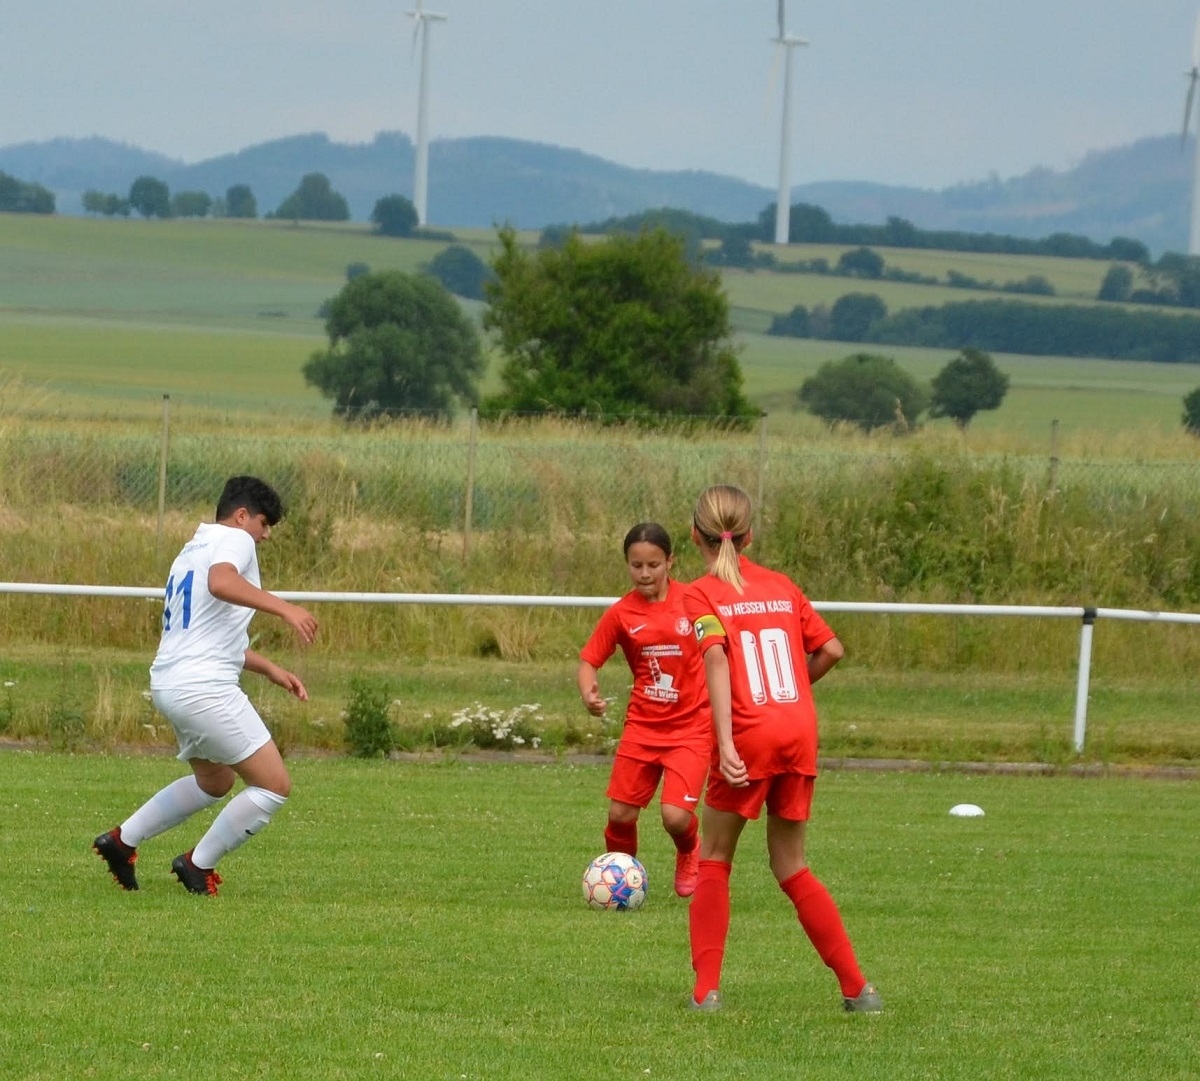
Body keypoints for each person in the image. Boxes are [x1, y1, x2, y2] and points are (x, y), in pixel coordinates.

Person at [681, 484, 881, 1013]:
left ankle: (706, 991)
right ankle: (857, 989)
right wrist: (786, 694)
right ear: (749, 536)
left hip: (749, 734)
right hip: (798, 730)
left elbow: (716, 658)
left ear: (694, 536)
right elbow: (832, 649)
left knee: (714, 858)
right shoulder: (783, 586)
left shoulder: (700, 594)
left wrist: (727, 741)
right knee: (791, 864)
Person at [92, 475, 318, 896]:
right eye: (264, 523)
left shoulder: (193, 548)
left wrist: (270, 669)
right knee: (274, 786)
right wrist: (286, 609)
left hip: (170, 683)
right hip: (203, 688)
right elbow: (222, 583)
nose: (266, 535)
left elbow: (207, 635)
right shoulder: (235, 539)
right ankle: (198, 865)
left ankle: (122, 841)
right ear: (242, 515)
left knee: (215, 781)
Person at [577, 522, 711, 898]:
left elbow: (722, 651)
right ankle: (622, 883)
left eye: (653, 564)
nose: (645, 573)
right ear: (627, 565)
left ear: (670, 561)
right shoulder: (621, 613)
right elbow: (588, 660)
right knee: (620, 816)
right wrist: (588, 692)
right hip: (642, 727)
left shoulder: (695, 602)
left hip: (691, 728)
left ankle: (690, 849)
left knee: (675, 817)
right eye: (636, 566)